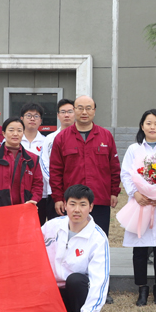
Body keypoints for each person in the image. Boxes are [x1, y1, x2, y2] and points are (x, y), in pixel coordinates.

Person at [121, 109, 156, 306]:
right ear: (142, 126)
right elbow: (126, 174)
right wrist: (135, 193)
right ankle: (142, 290)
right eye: (148, 123)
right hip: (141, 203)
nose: (152, 127)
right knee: (140, 249)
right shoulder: (134, 149)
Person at [42, 185, 110, 312]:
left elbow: (99, 282)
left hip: (78, 291)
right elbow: (26, 241)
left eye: (82, 204)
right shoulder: (52, 226)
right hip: (54, 290)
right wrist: (26, 213)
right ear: (65, 205)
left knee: (76, 280)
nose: (77, 209)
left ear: (91, 207)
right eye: (72, 204)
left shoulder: (98, 238)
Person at [49, 95, 120, 234]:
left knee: (98, 237)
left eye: (88, 108)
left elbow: (114, 167)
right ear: (74, 110)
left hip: (99, 198)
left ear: (94, 111)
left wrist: (114, 192)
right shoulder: (62, 138)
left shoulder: (106, 136)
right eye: (80, 108)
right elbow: (55, 170)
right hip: (72, 201)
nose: (84, 112)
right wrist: (58, 198)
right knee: (72, 238)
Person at [0, 118, 43, 208]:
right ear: (3, 133)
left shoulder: (32, 159)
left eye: (19, 130)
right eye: (11, 130)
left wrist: (33, 200)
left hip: (24, 208)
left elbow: (38, 184)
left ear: (23, 133)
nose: (15, 134)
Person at [39, 99, 75, 224]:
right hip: (55, 191)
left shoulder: (80, 137)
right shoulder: (50, 138)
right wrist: (57, 183)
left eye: (70, 111)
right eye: (63, 112)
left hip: (76, 191)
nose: (66, 115)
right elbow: (44, 164)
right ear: (58, 115)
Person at [18, 103, 50, 220]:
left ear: (41, 121)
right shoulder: (14, 140)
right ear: (22, 119)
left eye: (36, 116)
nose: (32, 119)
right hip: (18, 193)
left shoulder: (47, 141)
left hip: (42, 193)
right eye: (29, 115)